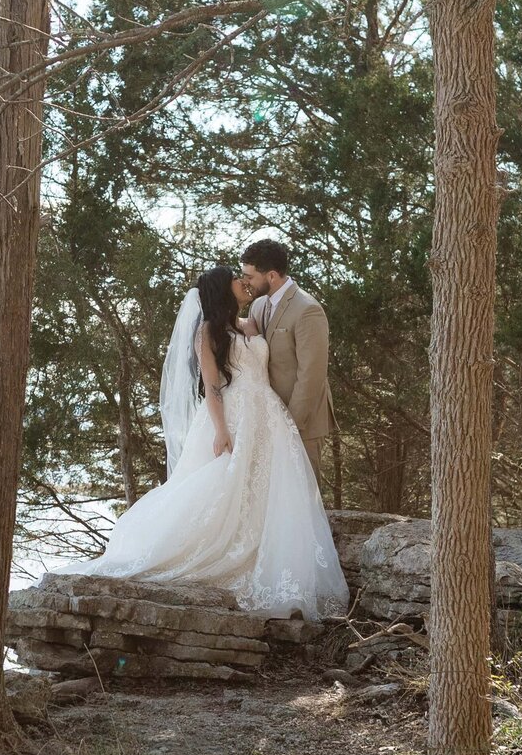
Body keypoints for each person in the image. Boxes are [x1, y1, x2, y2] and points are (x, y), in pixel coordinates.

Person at [71, 264, 347, 620]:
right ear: (223, 287)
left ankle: (265, 552)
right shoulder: (208, 332)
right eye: (238, 278)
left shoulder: (251, 323)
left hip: (267, 414)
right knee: (223, 483)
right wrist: (221, 429)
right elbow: (213, 386)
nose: (244, 282)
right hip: (232, 415)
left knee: (268, 486)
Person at [239, 238, 336, 484]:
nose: (245, 282)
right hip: (269, 420)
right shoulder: (258, 306)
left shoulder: (307, 310)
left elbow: (311, 375)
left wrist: (290, 425)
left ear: (271, 276)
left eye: (250, 277)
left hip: (302, 424)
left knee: (302, 494)